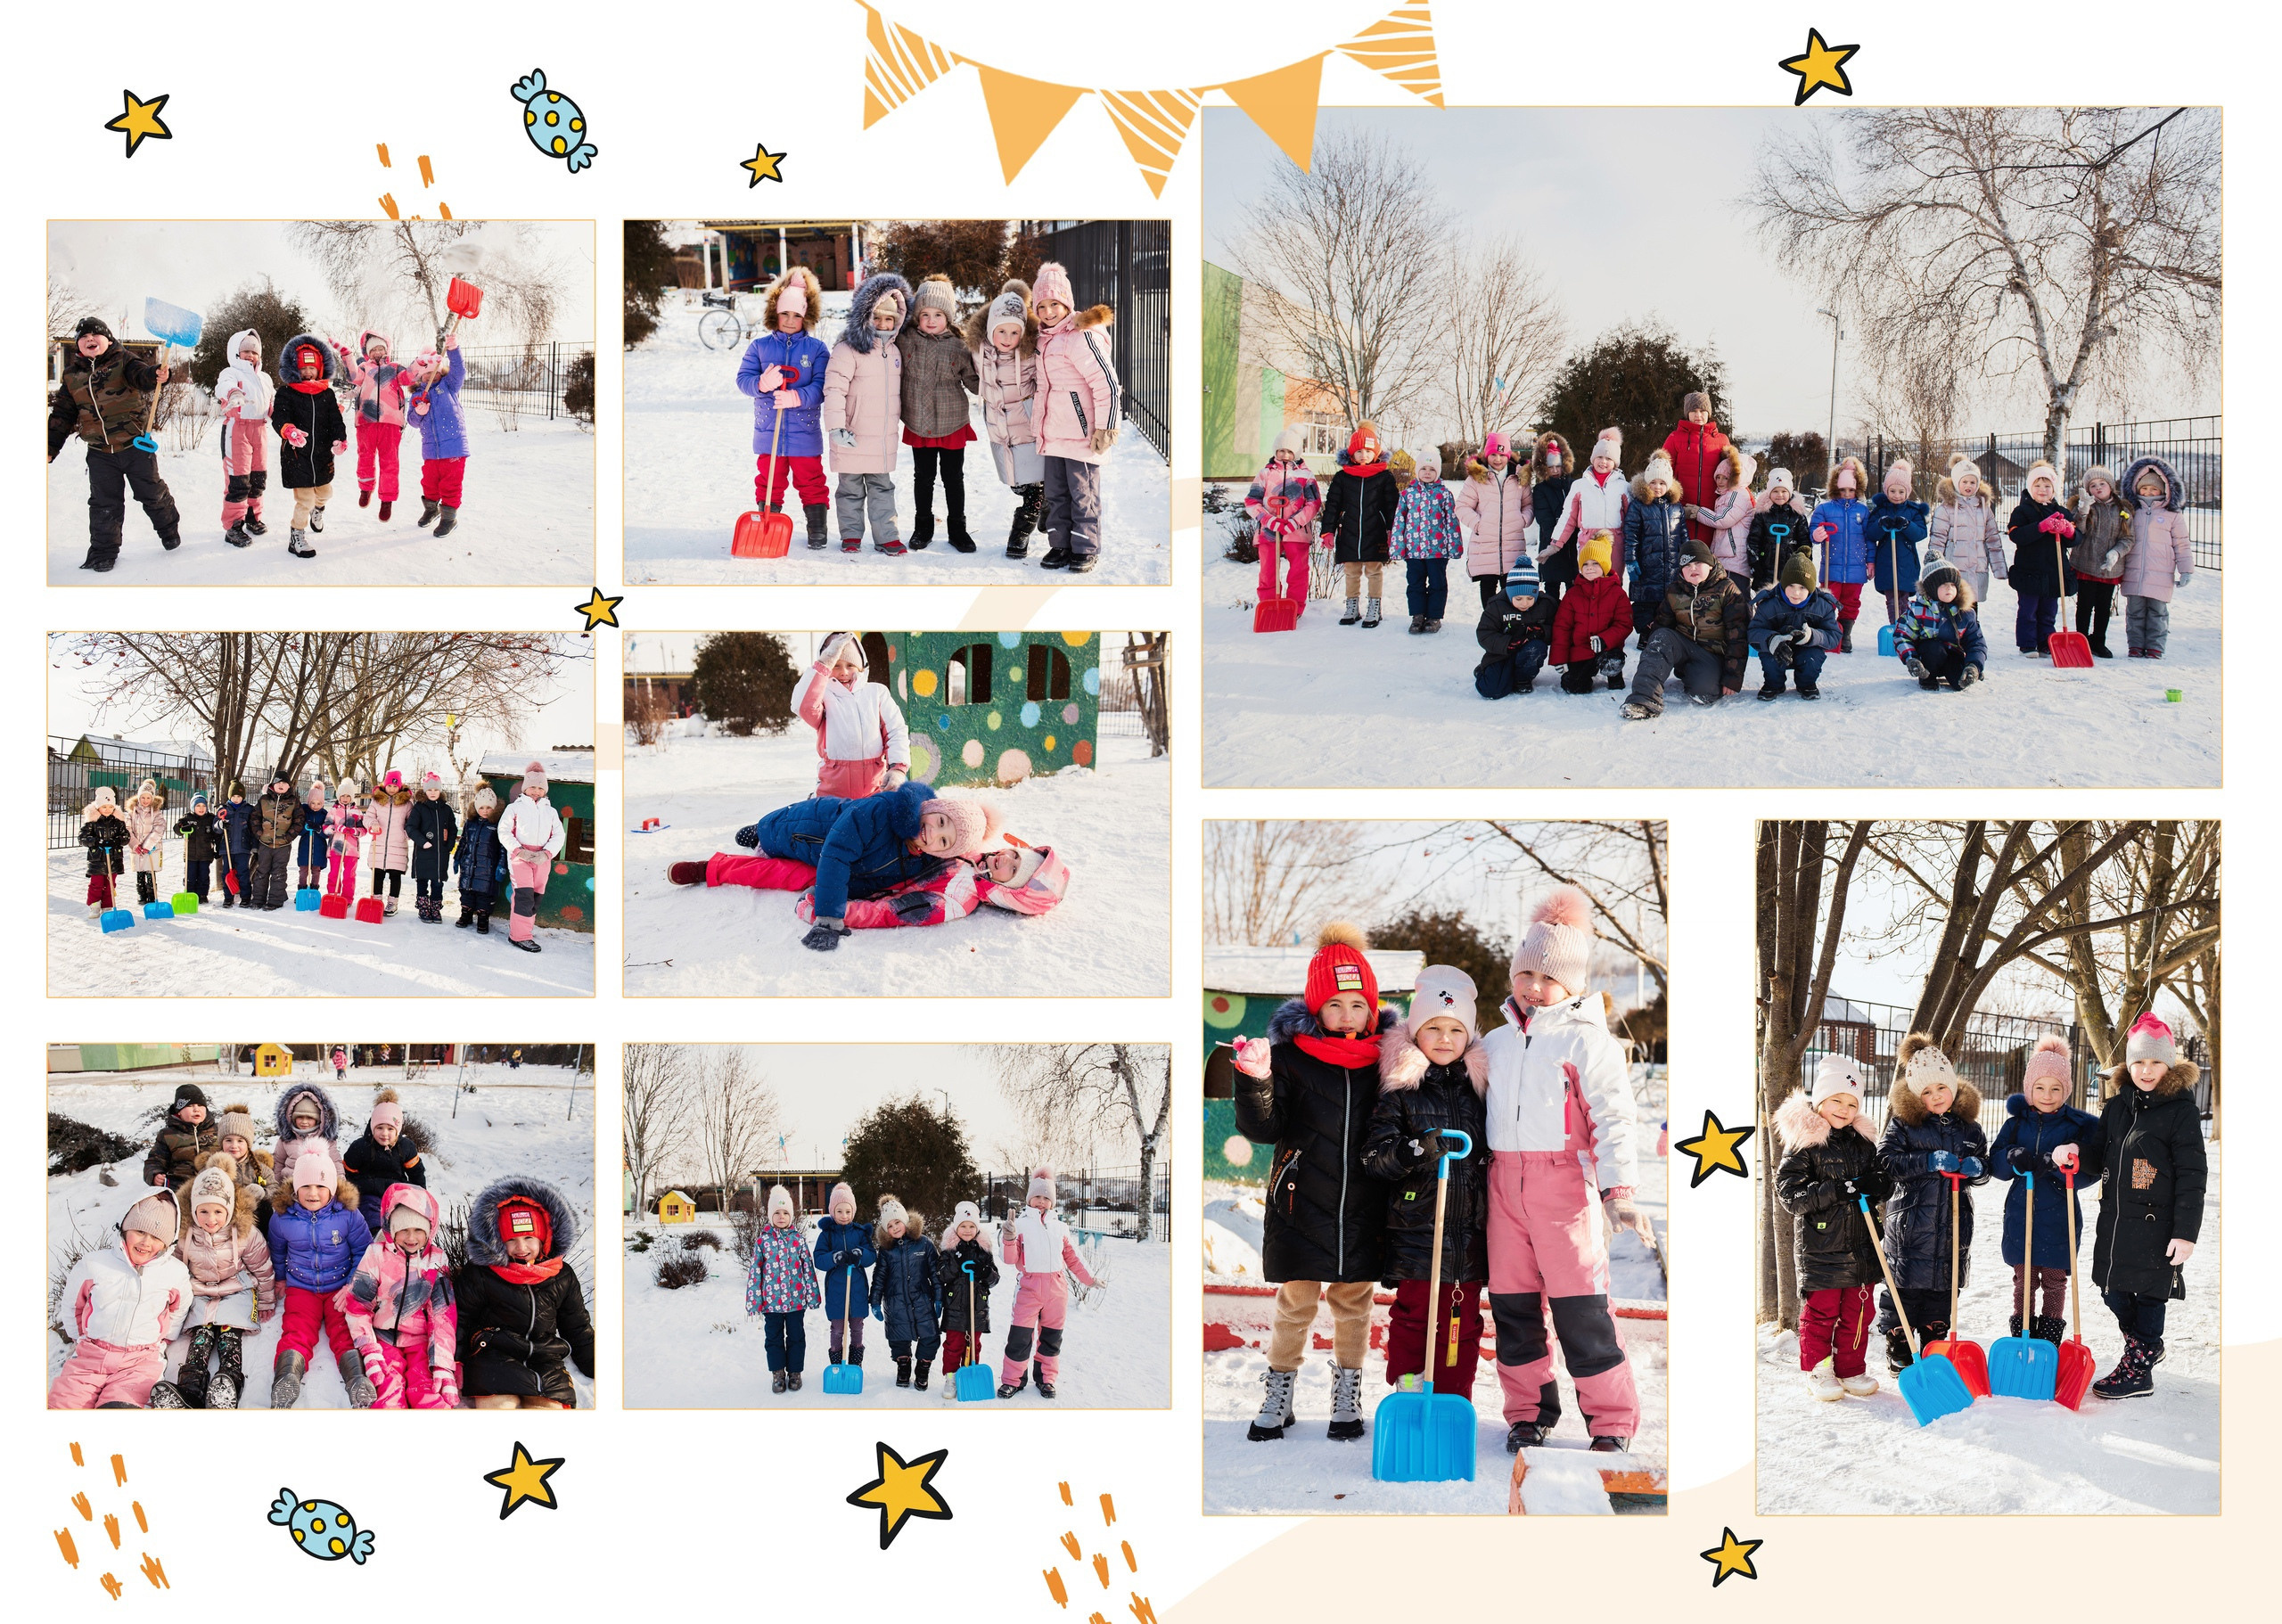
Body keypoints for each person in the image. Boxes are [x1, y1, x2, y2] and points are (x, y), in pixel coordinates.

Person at [1482, 889, 1647, 1451]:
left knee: (1582, 1312)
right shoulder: (1496, 1044)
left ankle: (1611, 1421)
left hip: (1564, 1193)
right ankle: (1527, 1413)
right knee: (1513, 1309)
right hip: (1502, 1188)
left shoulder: (1587, 1041)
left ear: (1572, 984)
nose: (1532, 986)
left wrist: (1617, 1189)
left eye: (1547, 977)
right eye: (1524, 972)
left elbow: (1614, 1117)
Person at [1229, 923, 1393, 1442]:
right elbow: (1264, 1128)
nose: (1348, 1016)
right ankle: (1279, 1391)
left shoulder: (1387, 1062)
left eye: (1357, 1005)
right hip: (1301, 1202)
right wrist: (1254, 1079)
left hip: (1364, 1205)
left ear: (1372, 1008)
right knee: (1296, 1303)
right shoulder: (1294, 1056)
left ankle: (1347, 1393)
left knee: (1354, 1303)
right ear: (1315, 1009)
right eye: (1335, 1005)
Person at [1360, 965, 1490, 1402]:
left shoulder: (1482, 1092)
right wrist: (1415, 1149)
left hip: (1469, 1236)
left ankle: (1455, 1399)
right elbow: (1374, 1160)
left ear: (1469, 1035)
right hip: (1418, 1233)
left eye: (1456, 1029)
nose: (1445, 1038)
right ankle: (1410, 1391)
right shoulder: (1401, 1090)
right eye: (1433, 1027)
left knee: (1463, 1323)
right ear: (1416, 1032)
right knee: (1416, 1316)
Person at [670, 783, 998, 953]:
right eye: (940, 821)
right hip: (806, 834)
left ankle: (712, 869)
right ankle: (755, 834)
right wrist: (829, 916)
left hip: (830, 868)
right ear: (932, 807)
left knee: (777, 875)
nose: (933, 834)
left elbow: (972, 857)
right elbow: (837, 854)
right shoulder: (881, 810)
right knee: (770, 837)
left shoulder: (925, 855)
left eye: (944, 841)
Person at [2089, 1014, 2205, 1398]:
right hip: (2118, 1222)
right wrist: (2074, 1154)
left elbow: (2192, 1174)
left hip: (2159, 1225)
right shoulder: (2118, 1106)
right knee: (2111, 1289)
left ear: (2169, 1064)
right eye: (2139, 1061)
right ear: (2128, 1064)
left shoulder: (2180, 1110)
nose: (2147, 1070)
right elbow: (2097, 1154)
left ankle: (2139, 1365)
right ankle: (2145, 1345)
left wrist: (2185, 1233)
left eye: (2156, 1062)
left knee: (2150, 1292)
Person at [1774, 1058, 1891, 1400]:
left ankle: (1851, 1369)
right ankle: (1819, 1369)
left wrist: (1879, 1184)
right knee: (1823, 1312)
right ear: (1820, 1100)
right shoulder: (1805, 1142)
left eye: (1853, 1103)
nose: (1845, 1109)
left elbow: (1882, 1183)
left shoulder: (1862, 1142)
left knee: (1859, 1313)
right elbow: (1791, 1195)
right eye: (1837, 1100)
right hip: (1822, 1248)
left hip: (1862, 1245)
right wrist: (1842, 1189)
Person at [1873, 1037, 1989, 1372]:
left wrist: (1976, 1168)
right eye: (1926, 1092)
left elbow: (1985, 1165)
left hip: (1952, 1224)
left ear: (1953, 1086)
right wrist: (1926, 1161)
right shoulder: (1904, 1125)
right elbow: (1887, 1161)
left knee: (1942, 1288)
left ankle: (1934, 1342)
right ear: (1915, 1096)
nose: (1936, 1096)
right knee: (1905, 1288)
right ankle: (1899, 1343)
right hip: (1911, 1227)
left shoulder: (1970, 1128)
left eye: (1941, 1087)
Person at [1987, 1036, 2104, 1349]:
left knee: (2054, 1282)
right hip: (2020, 1215)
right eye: (2040, 1088)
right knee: (2024, 1281)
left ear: (2065, 1090)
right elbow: (1995, 1164)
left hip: (2059, 1218)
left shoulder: (2077, 1127)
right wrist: (2012, 1158)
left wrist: (2059, 1168)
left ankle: (2048, 1341)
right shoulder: (2015, 1125)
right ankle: (2023, 1335)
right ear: (2029, 1089)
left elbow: (2091, 1170)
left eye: (2055, 1088)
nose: (2047, 1095)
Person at [48, 315, 182, 570]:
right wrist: (50, 446)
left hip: (135, 446)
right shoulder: (71, 375)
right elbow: (63, 415)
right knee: (103, 503)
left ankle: (168, 528)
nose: (89, 339)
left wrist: (156, 374)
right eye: (83, 337)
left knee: (151, 493)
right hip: (99, 452)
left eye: (95, 335)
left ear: (108, 340)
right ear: (77, 346)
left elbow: (141, 376)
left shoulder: (123, 360)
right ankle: (103, 551)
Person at [148, 1156, 276, 1408]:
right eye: (203, 1211)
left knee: (230, 1333)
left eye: (218, 1211)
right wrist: (166, 1303)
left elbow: (262, 1268)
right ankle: (191, 1386)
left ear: (228, 1211)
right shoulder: (185, 1236)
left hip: (235, 1289)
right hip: (198, 1290)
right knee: (201, 1334)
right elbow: (172, 1270)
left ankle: (228, 1380)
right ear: (194, 1209)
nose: (211, 1218)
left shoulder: (246, 1234)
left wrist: (265, 1300)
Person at [47, 1191, 193, 1407]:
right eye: (140, 1231)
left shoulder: (174, 1273)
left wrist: (164, 1339)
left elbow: (179, 1308)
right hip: (90, 1358)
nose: (145, 1242)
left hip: (140, 1363)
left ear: (167, 1243)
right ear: (124, 1229)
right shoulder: (94, 1264)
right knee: (64, 1406)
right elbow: (73, 1306)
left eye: (156, 1237)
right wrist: (82, 1337)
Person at [458, 1177, 592, 1410]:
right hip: (493, 1358)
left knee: (547, 1412)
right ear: (498, 1242)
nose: (521, 1248)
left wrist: (594, 1364)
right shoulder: (482, 1274)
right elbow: (460, 1319)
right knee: (501, 1407)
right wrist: (453, 1364)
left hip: (545, 1361)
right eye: (511, 1240)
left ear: (543, 1238)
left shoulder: (561, 1276)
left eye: (528, 1238)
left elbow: (577, 1325)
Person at [1029, 261, 1120, 573]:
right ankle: (1061, 546)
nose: (1049, 311)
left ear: (1066, 303)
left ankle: (1085, 547)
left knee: (1083, 493)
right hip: (1053, 432)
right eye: (1042, 306)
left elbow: (1106, 382)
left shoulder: (1081, 336)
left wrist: (1106, 425)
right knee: (1055, 494)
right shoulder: (1042, 339)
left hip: (1082, 434)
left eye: (1055, 304)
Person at [736, 265, 834, 549]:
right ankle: (767, 520)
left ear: (806, 317)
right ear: (774, 313)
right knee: (769, 480)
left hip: (804, 434)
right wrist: (762, 384)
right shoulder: (759, 348)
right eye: (785, 314)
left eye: (797, 315)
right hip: (769, 432)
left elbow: (821, 388)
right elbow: (743, 380)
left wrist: (798, 397)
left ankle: (817, 527)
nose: (790, 320)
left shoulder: (817, 350)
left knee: (811, 480)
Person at [268, 1152, 374, 1407]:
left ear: (333, 1188)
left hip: (340, 1286)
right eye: (305, 1185)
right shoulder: (282, 1217)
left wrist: (351, 1284)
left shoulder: (348, 1215)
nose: (313, 1193)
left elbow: (364, 1250)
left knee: (345, 1328)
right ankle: (287, 1377)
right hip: (302, 1287)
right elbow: (277, 1249)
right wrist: (281, 1279)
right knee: (296, 1328)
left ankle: (357, 1378)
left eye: (320, 1186)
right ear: (295, 1189)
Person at [345, 1184, 459, 1410]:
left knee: (427, 1391)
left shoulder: (435, 1261)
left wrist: (443, 1365)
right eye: (403, 1230)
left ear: (429, 1230)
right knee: (388, 1390)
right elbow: (358, 1307)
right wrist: (369, 1350)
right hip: (383, 1338)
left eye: (418, 1230)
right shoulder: (377, 1255)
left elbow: (443, 1316)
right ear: (391, 1230)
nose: (411, 1237)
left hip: (421, 1342)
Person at [823, 272, 914, 554]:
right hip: (851, 433)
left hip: (882, 437)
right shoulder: (847, 349)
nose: (883, 324)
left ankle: (887, 536)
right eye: (877, 318)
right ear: (864, 317)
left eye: (890, 319)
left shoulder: (896, 351)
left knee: (882, 487)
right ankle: (850, 535)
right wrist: (836, 427)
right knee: (849, 488)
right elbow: (834, 389)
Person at [997, 1169, 1100, 1399]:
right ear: (1029, 1199)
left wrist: (1090, 1279)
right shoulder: (1020, 1225)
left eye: (1046, 1198)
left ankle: (1046, 1379)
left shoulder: (1059, 1227)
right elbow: (1009, 1259)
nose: (1041, 1202)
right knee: (1020, 1337)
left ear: (1052, 1202)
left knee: (1051, 1338)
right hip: (1029, 1289)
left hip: (1057, 1289)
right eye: (1037, 1197)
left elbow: (1073, 1257)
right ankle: (1013, 1380)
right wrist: (1009, 1238)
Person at [898, 275, 982, 552]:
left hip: (952, 421)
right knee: (923, 477)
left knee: (953, 478)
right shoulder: (906, 340)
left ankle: (958, 528)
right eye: (925, 314)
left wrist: (994, 382)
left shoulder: (959, 345)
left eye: (938, 314)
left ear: (949, 316)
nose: (931, 320)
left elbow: (972, 380)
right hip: (918, 422)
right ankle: (923, 526)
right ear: (916, 316)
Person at [1621, 540, 1749, 719]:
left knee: (1705, 693)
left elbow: (1738, 637)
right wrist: (1656, 655)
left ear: (1710, 565)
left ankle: (1693, 673)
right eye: (1687, 565)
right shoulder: (1675, 591)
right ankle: (1643, 699)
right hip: (1683, 647)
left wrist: (1732, 677)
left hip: (1712, 656)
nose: (1693, 568)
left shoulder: (1727, 591)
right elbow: (1661, 627)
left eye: (1698, 563)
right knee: (1661, 637)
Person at [966, 278, 1047, 558]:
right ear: (991, 331)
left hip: (1027, 423)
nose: (1008, 339)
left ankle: (1020, 534)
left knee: (1033, 485)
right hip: (999, 426)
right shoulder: (980, 352)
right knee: (1017, 483)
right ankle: (1046, 504)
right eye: (1002, 331)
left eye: (1015, 332)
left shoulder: (1029, 353)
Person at [794, 633, 909, 800]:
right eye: (836, 665)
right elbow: (803, 706)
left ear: (861, 667)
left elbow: (895, 731)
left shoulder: (876, 693)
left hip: (875, 788)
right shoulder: (823, 696)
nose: (844, 672)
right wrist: (822, 665)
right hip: (832, 791)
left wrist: (898, 768)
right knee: (832, 824)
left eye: (850, 665)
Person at [268, 334, 346, 560]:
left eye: (312, 368)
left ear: (320, 369)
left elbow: (335, 421)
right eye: (303, 368)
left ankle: (318, 511)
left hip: (322, 456)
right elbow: (279, 417)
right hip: (297, 455)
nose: (308, 373)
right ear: (295, 369)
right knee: (305, 499)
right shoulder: (287, 393)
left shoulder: (327, 394)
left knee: (325, 493)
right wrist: (289, 431)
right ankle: (297, 535)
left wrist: (340, 439)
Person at [1317, 422, 1400, 627]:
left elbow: (1392, 506)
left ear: (1376, 453)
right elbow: (1333, 505)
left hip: (1376, 532)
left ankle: (1374, 607)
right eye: (1359, 451)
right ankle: (1352, 606)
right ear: (1352, 454)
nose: (1364, 455)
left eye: (1368, 451)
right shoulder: (1343, 477)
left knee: (1374, 570)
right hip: (1349, 532)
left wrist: (1393, 530)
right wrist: (1328, 530)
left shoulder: (1384, 477)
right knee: (1351, 571)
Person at [2118, 455, 2195, 660]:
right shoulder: (2131, 512)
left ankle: (2155, 647)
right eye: (2144, 489)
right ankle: (2135, 646)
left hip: (2161, 575)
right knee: (2134, 612)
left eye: (2154, 489)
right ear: (2136, 489)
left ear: (2164, 491)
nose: (2149, 492)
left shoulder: (2173, 515)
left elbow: (2182, 543)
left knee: (2157, 613)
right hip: (2133, 572)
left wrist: (2186, 569)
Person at [748, 1183, 821, 1394]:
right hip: (771, 1304)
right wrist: (755, 1300)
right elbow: (755, 1272)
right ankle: (778, 1373)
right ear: (770, 1215)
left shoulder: (798, 1240)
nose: (781, 1217)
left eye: (785, 1213)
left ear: (792, 1215)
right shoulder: (763, 1242)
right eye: (777, 1213)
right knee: (773, 1339)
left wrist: (812, 1296)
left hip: (796, 1303)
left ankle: (795, 1373)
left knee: (797, 1337)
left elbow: (808, 1268)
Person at [332, 330, 414, 520]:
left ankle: (387, 499)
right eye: (373, 349)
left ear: (387, 350)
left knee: (389, 462)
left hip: (391, 421)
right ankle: (366, 487)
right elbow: (353, 377)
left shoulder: (394, 368)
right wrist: (347, 355)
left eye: (381, 348)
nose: (377, 352)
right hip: (366, 421)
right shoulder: (364, 369)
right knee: (365, 456)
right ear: (367, 353)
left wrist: (421, 363)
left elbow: (409, 378)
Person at [1244, 423, 1322, 609]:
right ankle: (1269, 604)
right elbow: (1251, 501)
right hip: (1268, 531)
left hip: (1297, 531)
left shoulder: (1305, 475)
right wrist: (1269, 520)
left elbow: (1314, 503)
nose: (1285, 455)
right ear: (1275, 451)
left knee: (1298, 570)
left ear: (1297, 452)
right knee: (1268, 570)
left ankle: (1295, 606)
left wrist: (1294, 522)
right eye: (1281, 451)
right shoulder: (1265, 474)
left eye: (1289, 451)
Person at [1747, 550, 1840, 701]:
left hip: (1807, 650)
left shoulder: (1822, 606)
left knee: (1813, 656)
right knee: (1770, 657)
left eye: (1802, 587)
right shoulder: (1770, 604)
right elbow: (1754, 631)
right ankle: (1774, 684)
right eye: (1791, 585)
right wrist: (1771, 640)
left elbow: (1834, 635)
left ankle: (1806, 684)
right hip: (1778, 649)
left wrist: (1812, 636)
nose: (1796, 592)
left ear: (1810, 588)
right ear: (1783, 584)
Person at [1457, 431, 1534, 611]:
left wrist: (1523, 520)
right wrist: (1478, 524)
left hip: (1512, 545)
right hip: (1485, 545)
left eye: (1502, 454)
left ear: (1508, 455)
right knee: (1488, 589)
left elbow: (1529, 504)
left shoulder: (1519, 478)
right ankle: (1491, 625)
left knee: (1511, 590)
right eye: (1493, 454)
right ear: (1486, 454)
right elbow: (1462, 507)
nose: (1497, 459)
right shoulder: (1476, 479)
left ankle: (1509, 625)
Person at [871, 1197, 942, 1390]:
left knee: (930, 1336)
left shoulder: (924, 1244)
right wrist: (875, 1301)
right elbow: (879, 1277)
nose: (894, 1228)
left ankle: (923, 1368)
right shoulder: (886, 1251)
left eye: (897, 1222)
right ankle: (903, 1367)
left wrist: (938, 1297)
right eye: (890, 1225)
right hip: (896, 1302)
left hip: (922, 1300)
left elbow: (936, 1273)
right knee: (898, 1337)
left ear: (906, 1220)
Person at [1547, 533, 1631, 694]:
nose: (1589, 567)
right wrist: (1560, 657)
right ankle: (1580, 674)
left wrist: (1605, 639)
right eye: (1585, 564)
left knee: (1612, 661)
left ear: (1605, 565)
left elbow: (1624, 624)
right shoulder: (1572, 594)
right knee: (1575, 687)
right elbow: (1562, 628)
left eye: (1595, 563)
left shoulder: (1617, 593)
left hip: (1608, 648)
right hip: (1581, 650)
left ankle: (1613, 674)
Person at [500, 759, 567, 955]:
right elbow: (503, 831)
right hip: (520, 857)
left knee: (536, 896)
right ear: (525, 788)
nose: (536, 791)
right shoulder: (515, 808)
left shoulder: (551, 812)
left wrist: (547, 853)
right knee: (524, 896)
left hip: (542, 858)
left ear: (545, 790)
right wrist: (518, 850)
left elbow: (559, 835)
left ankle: (525, 930)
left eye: (540, 787)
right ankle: (519, 936)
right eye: (532, 787)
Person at [2065, 465, 2133, 660]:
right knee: (2085, 605)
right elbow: (2078, 531)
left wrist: (2116, 553)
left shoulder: (2123, 509)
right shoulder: (2084, 505)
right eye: (2093, 485)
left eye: (2102, 483)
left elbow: (2128, 538)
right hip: (2086, 564)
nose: (2098, 488)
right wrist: (2083, 511)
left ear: (2111, 485)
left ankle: (2099, 641)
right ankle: (2082, 640)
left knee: (2104, 607)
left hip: (2109, 568)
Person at [213, 329, 274, 546]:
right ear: (236, 352)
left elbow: (271, 404)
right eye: (246, 351)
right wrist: (233, 394)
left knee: (258, 478)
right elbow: (222, 386)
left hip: (260, 430)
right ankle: (233, 526)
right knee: (238, 480)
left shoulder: (265, 378)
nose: (251, 355)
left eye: (254, 352)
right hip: (236, 430)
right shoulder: (231, 372)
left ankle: (252, 516)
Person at [2005, 459, 2072, 657]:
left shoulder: (2061, 512)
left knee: (2049, 611)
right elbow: (2015, 535)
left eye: (2047, 486)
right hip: (2029, 571)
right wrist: (2040, 527)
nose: (2042, 490)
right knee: (2028, 610)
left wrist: (2067, 529)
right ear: (2030, 487)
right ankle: (2027, 644)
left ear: (2054, 489)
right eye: (2038, 485)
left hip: (2053, 571)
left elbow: (2076, 537)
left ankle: (2045, 641)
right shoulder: (2022, 511)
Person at [1622, 452, 1693, 637]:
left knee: (1667, 600)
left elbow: (1683, 533)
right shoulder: (1639, 506)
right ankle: (1645, 633)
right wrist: (1631, 560)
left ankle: (1664, 631)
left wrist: (1687, 558)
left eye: (1662, 483)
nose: (1657, 487)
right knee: (1646, 601)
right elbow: (1631, 535)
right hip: (1647, 564)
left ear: (1668, 485)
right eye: (1653, 482)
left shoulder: (1676, 507)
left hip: (1671, 565)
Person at [1391, 450, 1462, 632]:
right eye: (1423, 468)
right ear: (1417, 471)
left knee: (1438, 584)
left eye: (1432, 469)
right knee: (1415, 584)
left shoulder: (1444, 494)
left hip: (1437, 551)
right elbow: (1399, 521)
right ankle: (1418, 616)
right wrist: (1398, 547)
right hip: (1413, 551)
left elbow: (1451, 522)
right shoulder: (1407, 495)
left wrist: (1454, 547)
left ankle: (1434, 617)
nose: (1427, 472)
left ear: (1438, 472)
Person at [406, 334, 469, 536]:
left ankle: (449, 518)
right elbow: (412, 421)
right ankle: (431, 510)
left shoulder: (449, 386)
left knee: (451, 484)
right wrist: (419, 412)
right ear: (420, 376)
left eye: (435, 372)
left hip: (454, 446)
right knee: (430, 482)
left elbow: (459, 370)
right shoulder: (417, 396)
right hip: (431, 449)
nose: (431, 376)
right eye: (426, 373)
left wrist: (453, 350)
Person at [1892, 561, 1988, 692]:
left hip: (1953, 656)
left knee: (1959, 684)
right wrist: (1911, 659)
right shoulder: (1918, 610)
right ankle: (1927, 678)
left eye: (1952, 585)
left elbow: (1976, 641)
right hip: (1929, 657)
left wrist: (1974, 665)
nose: (1949, 588)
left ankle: (1962, 673)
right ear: (1932, 588)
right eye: (1943, 585)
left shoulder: (1965, 613)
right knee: (1933, 648)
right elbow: (1902, 635)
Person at [813, 1182, 877, 1376]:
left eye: (848, 1211)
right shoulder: (827, 1234)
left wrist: (859, 1254)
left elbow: (871, 1255)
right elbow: (818, 1258)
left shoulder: (860, 1233)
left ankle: (855, 1365)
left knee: (857, 1328)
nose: (844, 1215)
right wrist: (835, 1258)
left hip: (856, 1289)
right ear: (832, 1211)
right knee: (838, 1330)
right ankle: (836, 1364)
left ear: (853, 1212)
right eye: (839, 1211)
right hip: (836, 1291)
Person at [1810, 455, 1873, 652]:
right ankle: (1829, 633)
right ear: (1834, 488)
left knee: (1851, 602)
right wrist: (1817, 535)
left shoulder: (1863, 512)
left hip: (1856, 568)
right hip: (1832, 567)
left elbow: (1870, 538)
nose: (1846, 494)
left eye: (1851, 490)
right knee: (1828, 600)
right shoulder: (1824, 509)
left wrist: (1871, 562)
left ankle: (1845, 635)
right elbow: (1813, 529)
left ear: (1858, 489)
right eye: (1842, 489)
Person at [1547, 435, 1629, 588]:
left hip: (1615, 542)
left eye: (1608, 458)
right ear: (1593, 459)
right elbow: (1568, 517)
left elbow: (1632, 518)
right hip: (1588, 541)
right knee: (1588, 580)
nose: (1603, 462)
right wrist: (1556, 542)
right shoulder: (1580, 485)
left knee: (1613, 581)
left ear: (1615, 462)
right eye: (1599, 457)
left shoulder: (1624, 487)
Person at [936, 1201, 998, 1397]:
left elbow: (994, 1279)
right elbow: (941, 1275)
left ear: (977, 1228)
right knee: (954, 1345)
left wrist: (983, 1270)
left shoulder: (983, 1250)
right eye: (963, 1226)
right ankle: (951, 1378)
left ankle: (969, 1373)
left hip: (977, 1308)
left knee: (974, 1345)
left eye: (972, 1226)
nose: (967, 1230)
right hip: (955, 1307)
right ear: (956, 1227)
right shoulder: (949, 1250)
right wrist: (957, 1262)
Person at [1927, 455, 2007, 603]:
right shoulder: (1945, 509)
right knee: (1953, 607)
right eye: (1964, 482)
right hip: (1953, 570)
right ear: (1957, 483)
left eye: (1972, 482)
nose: (1968, 486)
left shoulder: (1984, 508)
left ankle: (1971, 627)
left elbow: (1993, 539)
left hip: (1977, 568)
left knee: (1972, 608)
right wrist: (1934, 566)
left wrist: (1999, 568)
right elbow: (1937, 539)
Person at [342, 1090, 425, 1233]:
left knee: (403, 1212)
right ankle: (377, 1234)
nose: (384, 1133)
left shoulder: (405, 1147)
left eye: (390, 1129)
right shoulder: (360, 1147)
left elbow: (416, 1173)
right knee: (370, 1211)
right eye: (379, 1128)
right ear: (372, 1127)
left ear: (397, 1130)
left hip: (397, 1193)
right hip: (369, 1193)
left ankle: (402, 1233)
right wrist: (357, 1190)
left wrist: (420, 1195)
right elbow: (348, 1174)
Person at [1474, 558, 1556, 698]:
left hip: (1528, 652)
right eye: (1519, 599)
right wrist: (1507, 643)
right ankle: (1484, 671)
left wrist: (1542, 631)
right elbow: (1484, 633)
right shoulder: (1497, 606)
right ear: (1510, 593)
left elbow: (1558, 628)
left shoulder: (1545, 604)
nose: (1525, 603)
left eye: (1530, 598)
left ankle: (1523, 678)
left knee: (1536, 647)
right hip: (1501, 653)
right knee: (1492, 691)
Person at [1866, 460, 1929, 636]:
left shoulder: (1913, 511)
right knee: (1892, 598)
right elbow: (1871, 533)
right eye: (1892, 491)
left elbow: (1921, 533)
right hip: (1886, 561)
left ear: (1907, 492)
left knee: (1904, 596)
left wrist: (1907, 525)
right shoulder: (1880, 510)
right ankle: (1896, 627)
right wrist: (1881, 524)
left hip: (1907, 561)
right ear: (1886, 491)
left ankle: (1905, 627)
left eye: (1901, 492)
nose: (1897, 495)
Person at [1660, 390, 1732, 543]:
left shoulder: (1722, 440)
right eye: (1693, 411)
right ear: (1687, 413)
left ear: (1709, 413)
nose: (1698, 415)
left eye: (1702, 411)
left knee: (1707, 558)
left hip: (1711, 512)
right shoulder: (1675, 438)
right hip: (1681, 511)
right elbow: (1662, 471)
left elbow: (1733, 474)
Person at [1696, 447, 1758, 592]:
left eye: (1725, 478)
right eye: (1718, 477)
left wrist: (1697, 511)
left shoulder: (1738, 494)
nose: (1720, 481)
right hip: (1726, 558)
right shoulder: (1727, 495)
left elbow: (1723, 520)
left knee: (1738, 598)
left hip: (1735, 559)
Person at [1528, 432, 1580, 600]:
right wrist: (1559, 538)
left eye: (1558, 466)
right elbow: (1545, 519)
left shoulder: (1574, 485)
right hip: (1552, 544)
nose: (1555, 471)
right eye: (1551, 467)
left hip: (1573, 546)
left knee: (1574, 589)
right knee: (1552, 590)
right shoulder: (1541, 490)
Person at [1745, 465, 1815, 589]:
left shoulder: (1797, 516)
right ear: (1769, 493)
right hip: (1766, 567)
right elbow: (1754, 540)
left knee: (1787, 600)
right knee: (1766, 600)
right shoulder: (1762, 515)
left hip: (1790, 567)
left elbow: (1804, 542)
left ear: (1790, 492)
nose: (1780, 495)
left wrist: (1804, 562)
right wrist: (1755, 563)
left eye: (1784, 491)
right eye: (1775, 491)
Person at [142, 1082, 218, 1192]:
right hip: (179, 1187)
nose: (196, 1109)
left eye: (200, 1105)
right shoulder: (168, 1135)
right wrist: (154, 1175)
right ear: (179, 1112)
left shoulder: (217, 1131)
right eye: (190, 1106)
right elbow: (154, 1161)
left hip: (212, 1185)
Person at [455, 783, 507, 932]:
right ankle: (466, 914)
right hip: (468, 865)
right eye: (482, 807)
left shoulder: (497, 825)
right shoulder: (470, 823)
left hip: (488, 868)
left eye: (489, 808)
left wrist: (502, 865)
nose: (485, 811)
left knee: (485, 894)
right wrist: (457, 858)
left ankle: (483, 918)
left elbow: (503, 847)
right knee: (466, 891)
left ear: (494, 808)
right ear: (476, 808)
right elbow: (463, 842)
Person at [407, 770, 459, 923]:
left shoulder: (446, 809)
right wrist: (422, 842)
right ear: (425, 790)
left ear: (440, 790)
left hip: (440, 853)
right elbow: (411, 827)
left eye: (436, 789)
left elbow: (453, 828)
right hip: (423, 853)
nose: (433, 792)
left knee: (438, 882)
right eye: (430, 789)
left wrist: (449, 845)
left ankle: (435, 909)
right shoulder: (419, 808)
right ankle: (423, 908)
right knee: (422, 881)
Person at [250, 768, 303, 911]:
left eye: (284, 783)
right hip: (265, 843)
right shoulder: (264, 800)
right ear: (272, 785)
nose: (281, 785)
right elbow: (255, 817)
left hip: (283, 845)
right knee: (262, 871)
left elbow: (299, 821)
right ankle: (258, 899)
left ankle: (275, 901)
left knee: (279, 872)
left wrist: (289, 836)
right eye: (278, 782)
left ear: (289, 786)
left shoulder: (293, 801)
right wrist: (259, 832)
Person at [363, 769, 415, 915]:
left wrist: (405, 834)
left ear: (400, 786)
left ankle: (392, 903)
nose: (392, 788)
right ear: (385, 785)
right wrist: (372, 822)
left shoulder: (407, 804)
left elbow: (412, 823)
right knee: (377, 874)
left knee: (395, 875)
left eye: (395, 786)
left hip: (398, 845)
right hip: (378, 844)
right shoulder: (376, 802)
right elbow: (367, 818)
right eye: (389, 785)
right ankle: (377, 900)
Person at [81, 785, 129, 917]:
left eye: (110, 807)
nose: (107, 810)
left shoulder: (119, 822)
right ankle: (95, 905)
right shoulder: (92, 822)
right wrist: (96, 842)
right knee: (96, 884)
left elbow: (126, 837)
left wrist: (116, 841)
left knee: (110, 884)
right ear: (98, 807)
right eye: (104, 807)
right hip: (97, 859)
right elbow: (82, 838)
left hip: (114, 859)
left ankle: (108, 905)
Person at [323, 781, 369, 907]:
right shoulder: (333, 811)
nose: (345, 798)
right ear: (338, 796)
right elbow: (326, 826)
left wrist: (355, 831)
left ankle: (347, 898)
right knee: (334, 873)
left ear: (352, 797)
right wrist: (336, 828)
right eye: (342, 796)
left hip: (352, 849)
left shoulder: (357, 812)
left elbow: (363, 830)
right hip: (336, 848)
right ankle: (333, 894)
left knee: (349, 874)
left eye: (348, 796)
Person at [124, 776, 168, 908]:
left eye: (148, 798)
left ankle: (152, 895)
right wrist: (135, 845)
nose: (145, 801)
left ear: (152, 799)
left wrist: (148, 845)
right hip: (137, 848)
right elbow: (127, 829)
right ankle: (141, 894)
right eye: (143, 797)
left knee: (150, 871)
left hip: (152, 848)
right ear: (138, 797)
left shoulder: (157, 813)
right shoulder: (132, 813)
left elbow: (159, 829)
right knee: (140, 871)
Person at [221, 781, 256, 906]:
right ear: (230, 796)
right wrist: (220, 824)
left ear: (243, 797)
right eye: (234, 796)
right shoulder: (223, 810)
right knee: (227, 874)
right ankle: (228, 897)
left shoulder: (249, 810)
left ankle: (245, 897)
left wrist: (254, 845)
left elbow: (253, 829)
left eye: (239, 797)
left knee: (243, 873)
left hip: (243, 848)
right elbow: (215, 828)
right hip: (227, 848)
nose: (236, 799)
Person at [291, 781, 329, 896]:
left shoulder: (324, 814)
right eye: (313, 803)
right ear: (309, 802)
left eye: (319, 803)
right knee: (303, 871)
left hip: (319, 848)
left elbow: (328, 833)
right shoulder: (304, 813)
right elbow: (298, 831)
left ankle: (314, 891)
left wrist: (319, 829)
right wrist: (305, 828)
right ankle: (302, 892)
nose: (316, 806)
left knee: (316, 871)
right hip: (305, 848)